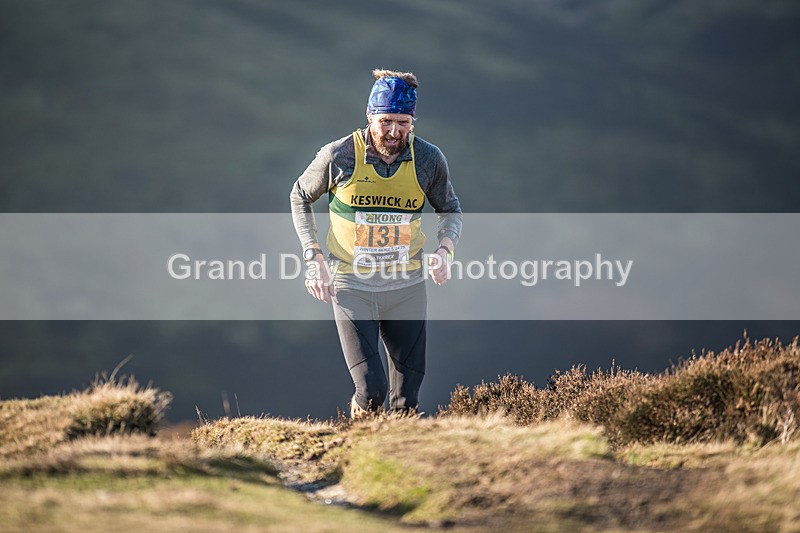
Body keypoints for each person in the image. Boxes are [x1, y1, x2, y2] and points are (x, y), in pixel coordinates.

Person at [289, 68, 462, 417]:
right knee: (371, 392)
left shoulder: (429, 159)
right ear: (370, 116)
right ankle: (357, 442)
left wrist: (445, 250)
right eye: (386, 122)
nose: (394, 132)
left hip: (407, 286)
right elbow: (299, 195)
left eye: (403, 122)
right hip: (352, 286)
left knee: (406, 400)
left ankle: (393, 464)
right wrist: (313, 257)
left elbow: (451, 210)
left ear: (413, 122)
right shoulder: (339, 155)